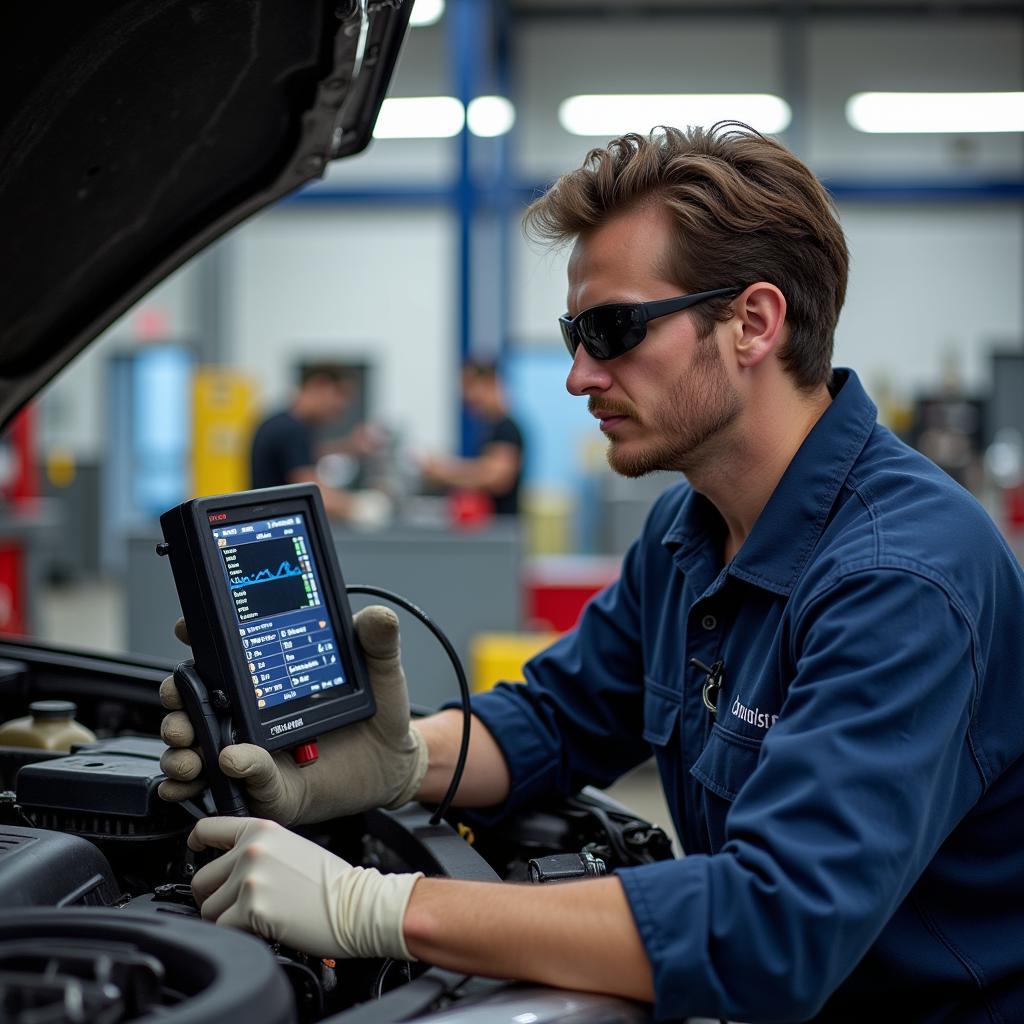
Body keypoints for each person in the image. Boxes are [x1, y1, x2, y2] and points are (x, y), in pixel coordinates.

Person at [159, 124, 1024, 1022]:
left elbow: (774, 930)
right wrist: (403, 760)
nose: (578, 376)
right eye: (577, 333)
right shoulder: (688, 535)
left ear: (754, 324)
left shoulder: (904, 578)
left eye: (612, 330)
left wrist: (374, 907)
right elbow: (556, 718)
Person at [250, 362, 376, 519]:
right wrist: (360, 505)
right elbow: (311, 491)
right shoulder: (292, 429)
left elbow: (307, 454)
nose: (343, 406)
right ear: (320, 384)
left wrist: (348, 447)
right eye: (341, 394)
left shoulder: (282, 421)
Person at [418, 361, 525, 516]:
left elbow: (497, 479)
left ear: (490, 383)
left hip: (502, 528)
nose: (466, 395)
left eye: (470, 385)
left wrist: (444, 472)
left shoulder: (507, 428)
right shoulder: (490, 428)